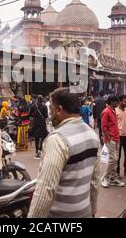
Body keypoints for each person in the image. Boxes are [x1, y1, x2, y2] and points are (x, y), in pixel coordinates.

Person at [28, 88, 100, 218]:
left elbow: (46, 189)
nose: (50, 114)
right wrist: (92, 210)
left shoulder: (57, 139)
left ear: (59, 109)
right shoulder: (92, 135)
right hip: (84, 212)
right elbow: (95, 180)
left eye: (51, 109)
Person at [100, 96, 124, 187]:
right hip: (111, 139)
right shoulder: (106, 111)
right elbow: (103, 127)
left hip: (117, 138)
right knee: (113, 159)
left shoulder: (113, 110)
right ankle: (105, 177)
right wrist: (109, 139)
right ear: (112, 102)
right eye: (116, 102)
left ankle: (113, 178)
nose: (118, 104)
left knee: (115, 159)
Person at [29, 95, 48, 159]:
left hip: (35, 123)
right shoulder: (44, 106)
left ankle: (37, 151)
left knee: (36, 138)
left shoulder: (33, 106)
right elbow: (46, 116)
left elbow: (30, 114)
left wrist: (35, 116)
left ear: (37, 99)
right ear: (42, 99)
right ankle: (40, 150)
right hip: (42, 123)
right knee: (43, 137)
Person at [116, 95, 126, 177]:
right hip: (118, 135)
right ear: (119, 102)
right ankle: (117, 172)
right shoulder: (115, 111)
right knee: (118, 155)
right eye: (124, 101)